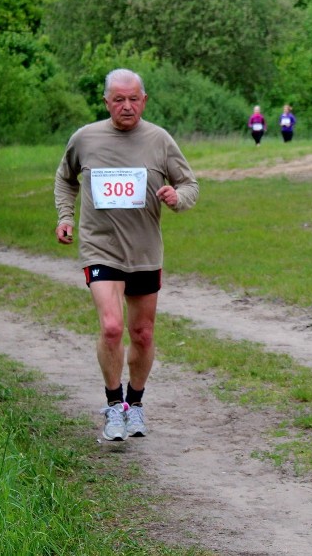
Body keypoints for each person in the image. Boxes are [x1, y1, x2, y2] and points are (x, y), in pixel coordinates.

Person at [54, 69, 199, 441]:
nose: (127, 106)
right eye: (118, 99)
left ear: (144, 100)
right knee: (112, 327)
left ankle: (135, 404)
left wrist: (176, 198)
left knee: (143, 333)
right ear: (106, 102)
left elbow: (189, 184)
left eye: (133, 98)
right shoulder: (85, 138)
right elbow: (65, 178)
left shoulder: (159, 140)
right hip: (100, 247)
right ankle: (113, 405)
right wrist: (65, 217)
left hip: (145, 251)